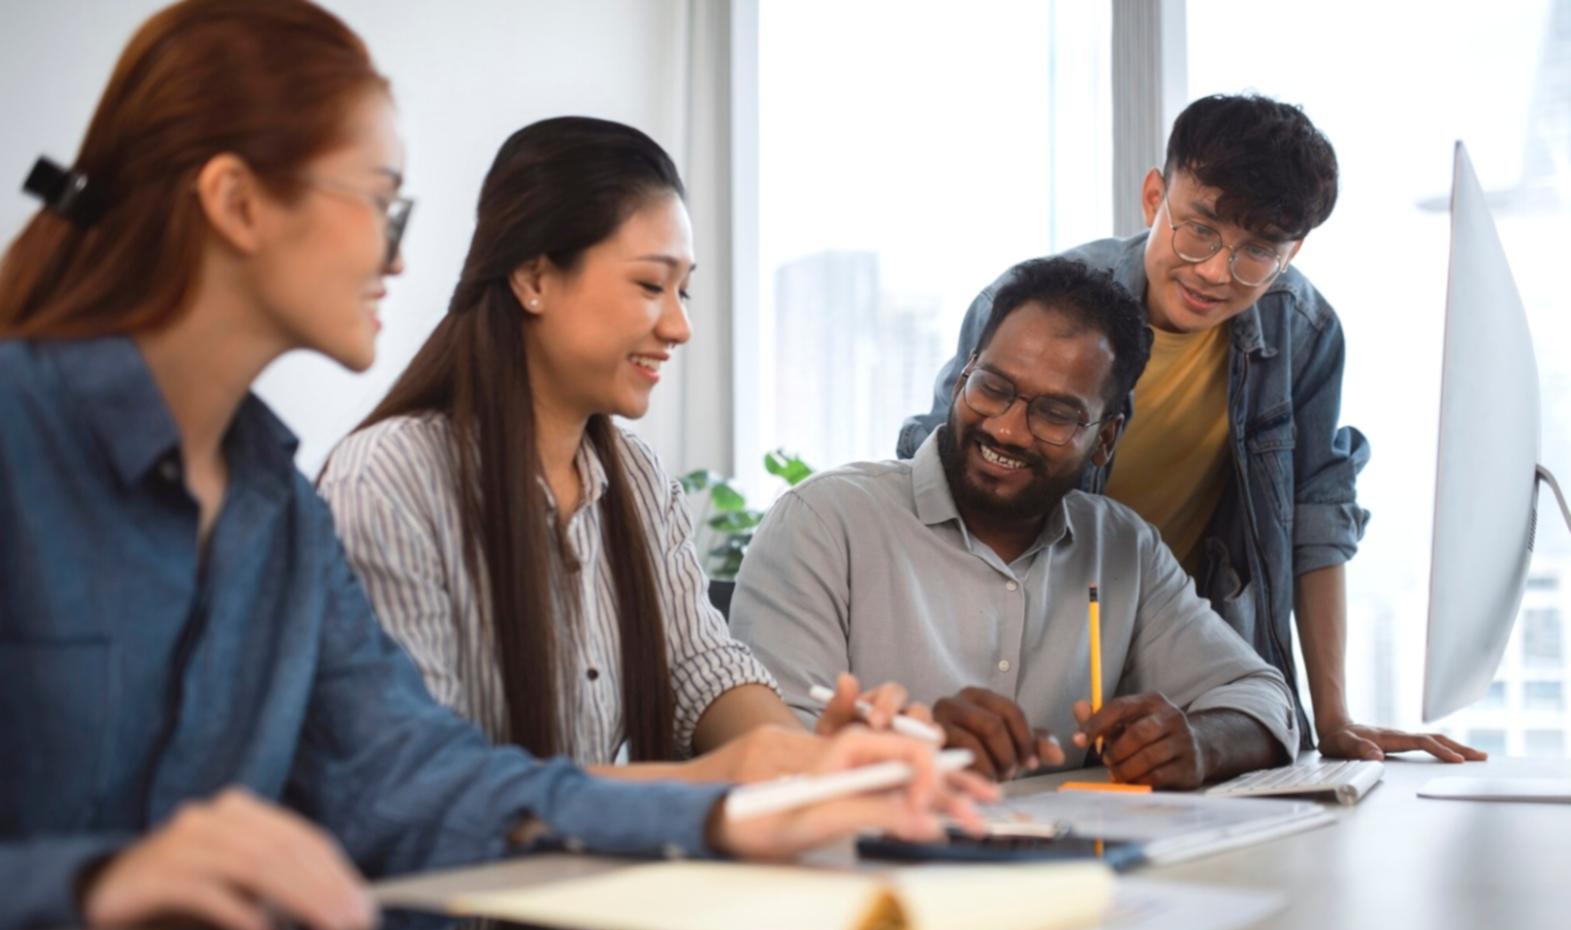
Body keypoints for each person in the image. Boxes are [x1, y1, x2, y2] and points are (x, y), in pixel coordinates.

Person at [0, 0, 986, 930]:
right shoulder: (35, 442)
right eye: (381, 203)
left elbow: (420, 778)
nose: (398, 254)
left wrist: (744, 797)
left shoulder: (273, 511)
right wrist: (92, 879)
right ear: (237, 202)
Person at [898, 94, 1483, 764]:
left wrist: (1332, 718)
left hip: (1180, 650)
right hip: (1028, 635)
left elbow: (1315, 515)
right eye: (1199, 229)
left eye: (1255, 252)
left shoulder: (1303, 332)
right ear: (1154, 197)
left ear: (1291, 251)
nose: (1214, 272)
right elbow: (951, 475)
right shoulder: (1041, 308)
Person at [320, 117, 892, 785]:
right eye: (651, 286)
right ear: (533, 277)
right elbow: (423, 779)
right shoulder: (390, 479)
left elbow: (699, 665)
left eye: (684, 291)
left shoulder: (636, 477)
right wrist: (711, 779)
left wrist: (810, 761)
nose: (678, 325)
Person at [732, 258, 1300, 786]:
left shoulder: (1124, 549)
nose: (1005, 430)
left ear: (1105, 440)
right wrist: (910, 752)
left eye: (1054, 413)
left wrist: (1201, 742)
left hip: (1066, 879)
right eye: (993, 389)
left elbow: (1261, 696)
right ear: (961, 380)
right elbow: (760, 751)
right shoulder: (823, 524)